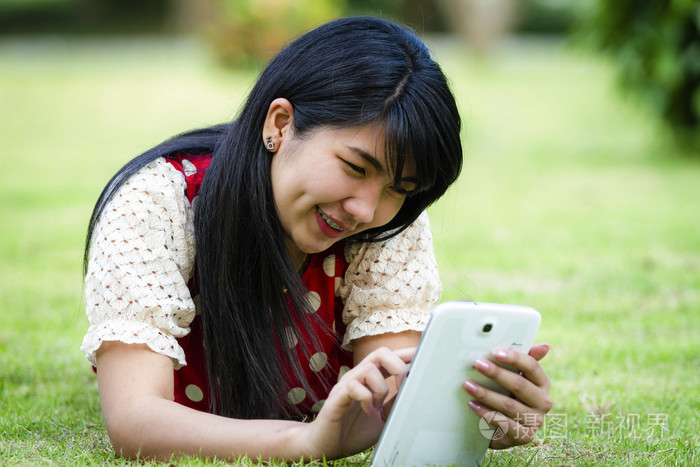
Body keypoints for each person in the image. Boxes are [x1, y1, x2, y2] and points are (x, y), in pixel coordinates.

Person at [81, 16, 552, 462]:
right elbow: (135, 421)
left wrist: (472, 411)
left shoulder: (385, 224)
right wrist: (302, 441)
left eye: (398, 189)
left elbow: (389, 401)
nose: (365, 209)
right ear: (280, 125)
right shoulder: (159, 201)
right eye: (354, 167)